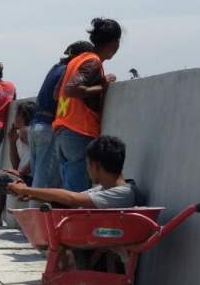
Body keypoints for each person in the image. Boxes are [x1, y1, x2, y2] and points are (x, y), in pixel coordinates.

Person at [52, 18, 122, 192]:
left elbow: (57, 93)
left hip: (63, 131)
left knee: (70, 192)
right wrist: (103, 86)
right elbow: (71, 89)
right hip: (79, 132)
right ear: (115, 43)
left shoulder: (77, 60)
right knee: (78, 195)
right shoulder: (93, 62)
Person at [29, 41, 95, 192]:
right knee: (44, 187)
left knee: (38, 181)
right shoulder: (69, 70)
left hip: (35, 125)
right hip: (49, 127)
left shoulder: (55, 68)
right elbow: (56, 94)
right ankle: (39, 216)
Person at [8, 135, 139, 209]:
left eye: (88, 165)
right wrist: (32, 195)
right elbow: (68, 197)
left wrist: (26, 190)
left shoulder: (123, 193)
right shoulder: (104, 189)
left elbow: (71, 198)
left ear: (96, 166)